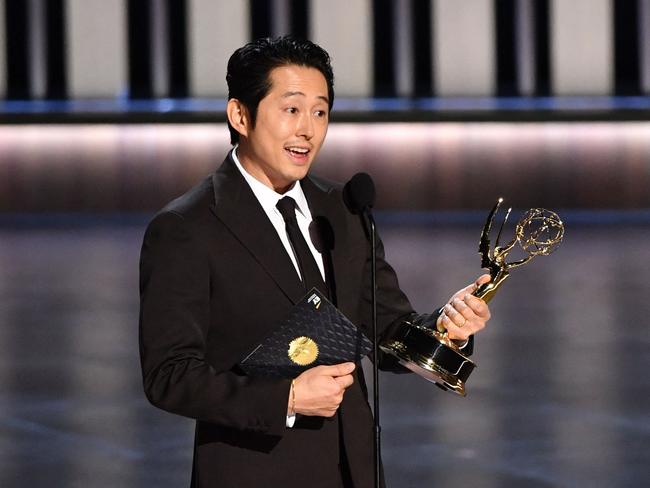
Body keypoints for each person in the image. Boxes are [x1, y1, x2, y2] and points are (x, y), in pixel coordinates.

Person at [138, 36, 491, 488]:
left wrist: (446, 327)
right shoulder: (187, 227)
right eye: (291, 110)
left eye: (320, 112)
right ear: (240, 115)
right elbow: (169, 376)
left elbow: (384, 329)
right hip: (253, 471)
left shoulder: (342, 209)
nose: (308, 129)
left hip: (353, 471)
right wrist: (285, 398)